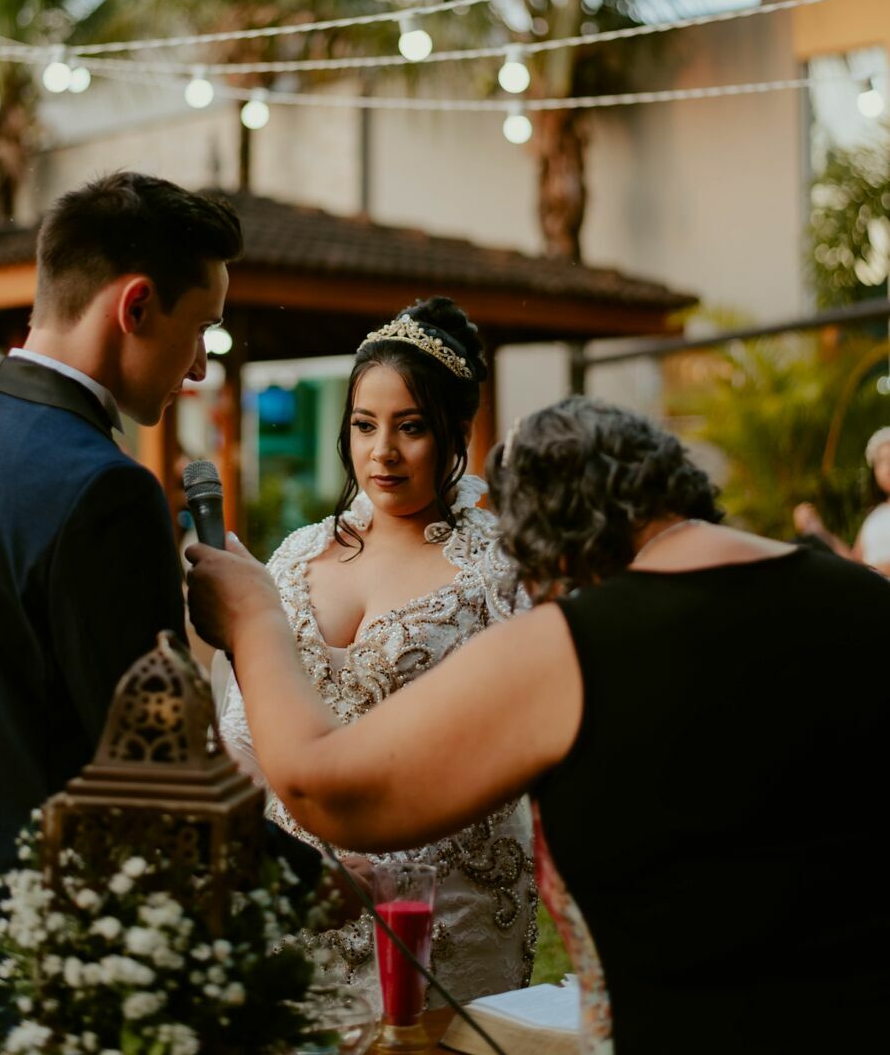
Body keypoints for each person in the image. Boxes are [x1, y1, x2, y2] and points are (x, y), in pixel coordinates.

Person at [188, 396, 890, 1055]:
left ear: (554, 551)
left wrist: (255, 622)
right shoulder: (867, 602)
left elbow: (330, 793)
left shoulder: (576, 645)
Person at [0, 172, 261, 1053]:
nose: (203, 366)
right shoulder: (105, 491)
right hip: (71, 963)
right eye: (201, 329)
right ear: (135, 305)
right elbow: (149, 771)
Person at [217, 298, 537, 1005]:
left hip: (442, 904)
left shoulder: (503, 569)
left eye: (411, 428)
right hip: (303, 886)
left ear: (456, 430)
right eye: (364, 426)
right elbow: (244, 726)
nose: (381, 452)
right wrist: (286, 858)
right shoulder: (297, 554)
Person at [794, 425, 890, 573]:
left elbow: (863, 571)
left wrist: (872, 574)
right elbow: (854, 563)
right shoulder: (874, 518)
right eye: (881, 460)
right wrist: (818, 531)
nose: (888, 465)